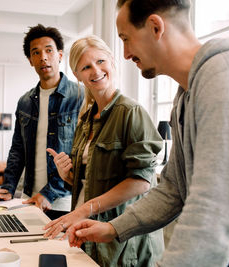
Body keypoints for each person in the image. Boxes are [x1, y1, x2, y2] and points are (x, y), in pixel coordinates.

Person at [66, 1, 229, 266]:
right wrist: (113, 229)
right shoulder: (185, 96)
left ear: (155, 27)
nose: (124, 54)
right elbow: (172, 190)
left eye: (126, 39)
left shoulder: (224, 78)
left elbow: (213, 213)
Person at [43, 35, 164, 266]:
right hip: (88, 235)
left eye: (100, 61)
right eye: (86, 67)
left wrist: (84, 210)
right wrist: (66, 175)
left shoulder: (131, 112)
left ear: (112, 61)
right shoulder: (86, 119)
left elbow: (141, 181)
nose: (95, 71)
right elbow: (91, 183)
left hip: (122, 244)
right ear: (77, 75)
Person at [0, 24, 83, 218]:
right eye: (36, 53)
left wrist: (49, 193)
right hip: (30, 198)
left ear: (60, 55)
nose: (43, 57)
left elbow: (78, 154)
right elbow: (17, 150)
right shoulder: (25, 101)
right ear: (30, 60)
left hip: (64, 201)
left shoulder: (80, 96)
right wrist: (7, 187)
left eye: (49, 50)